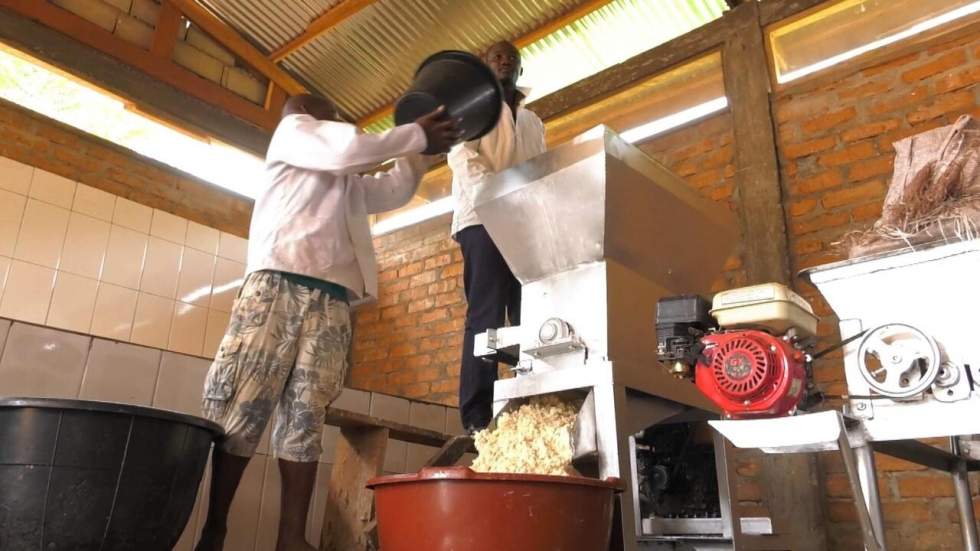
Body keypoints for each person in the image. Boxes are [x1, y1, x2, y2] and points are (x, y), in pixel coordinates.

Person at [196, 94, 460, 551]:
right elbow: (344, 148)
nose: (338, 121)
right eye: (331, 115)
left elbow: (393, 189)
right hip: (277, 283)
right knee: (243, 407)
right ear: (310, 115)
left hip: (332, 300)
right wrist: (416, 132)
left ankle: (290, 537)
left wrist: (421, 154)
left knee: (306, 414)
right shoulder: (293, 132)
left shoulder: (344, 181)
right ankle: (213, 531)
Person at [448, 41, 547, 433]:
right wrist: (497, 200)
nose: (505, 61)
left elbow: (540, 170)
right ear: (485, 69)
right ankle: (477, 415)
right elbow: (461, 158)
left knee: (529, 315)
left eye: (513, 58)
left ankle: (531, 404)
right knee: (486, 316)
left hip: (524, 225)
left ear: (520, 71)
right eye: (497, 57)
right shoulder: (470, 108)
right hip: (481, 220)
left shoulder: (534, 121)